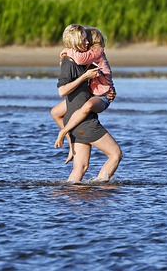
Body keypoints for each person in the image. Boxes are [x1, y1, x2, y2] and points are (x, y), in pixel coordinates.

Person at [52, 24, 122, 182]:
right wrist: (65, 132)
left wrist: (109, 91)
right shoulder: (71, 63)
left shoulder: (82, 63)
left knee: (81, 168)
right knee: (116, 154)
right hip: (85, 124)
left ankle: (69, 199)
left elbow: (56, 112)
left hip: (76, 124)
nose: (87, 44)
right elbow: (62, 91)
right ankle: (100, 186)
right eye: (84, 40)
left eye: (87, 40)